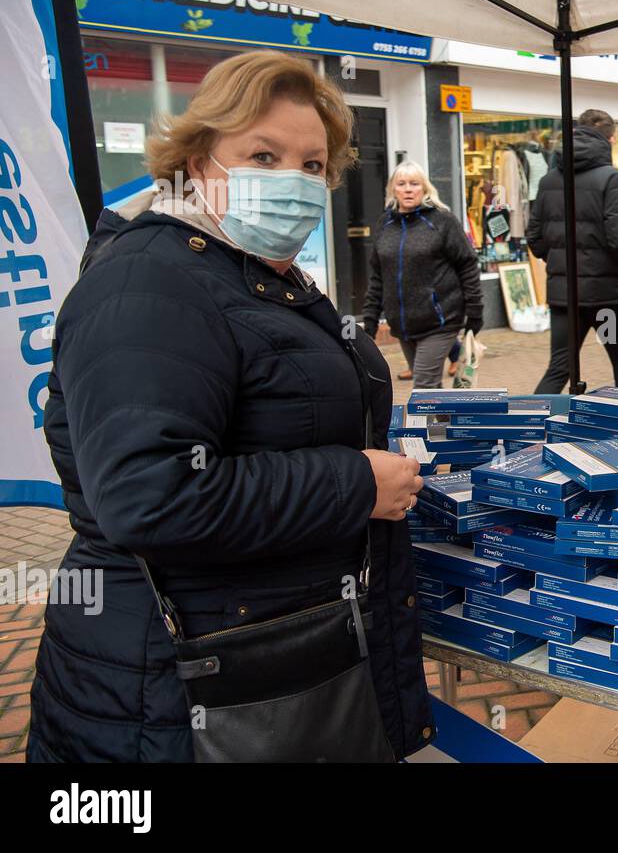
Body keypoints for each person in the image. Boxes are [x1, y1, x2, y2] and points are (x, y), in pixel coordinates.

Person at [29, 51, 430, 762]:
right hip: (177, 693)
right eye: (263, 154)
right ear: (198, 159)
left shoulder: (248, 273)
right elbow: (150, 494)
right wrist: (357, 483)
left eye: (312, 165)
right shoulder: (148, 283)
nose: (294, 182)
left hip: (272, 664)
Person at [528, 108, 618, 392]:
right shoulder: (612, 179)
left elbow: (534, 236)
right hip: (611, 296)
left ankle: (530, 427)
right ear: (611, 139)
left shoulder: (549, 180)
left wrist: (560, 262)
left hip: (565, 296)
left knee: (558, 370)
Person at [363, 161, 482, 388]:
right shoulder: (384, 223)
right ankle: (445, 423)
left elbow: (467, 265)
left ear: (425, 189)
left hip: (440, 320)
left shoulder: (442, 220)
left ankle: (427, 423)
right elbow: (378, 276)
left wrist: (475, 312)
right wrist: (369, 321)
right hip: (403, 324)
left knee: (424, 386)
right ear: (392, 189)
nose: (408, 189)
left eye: (414, 184)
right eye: (402, 184)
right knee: (433, 392)